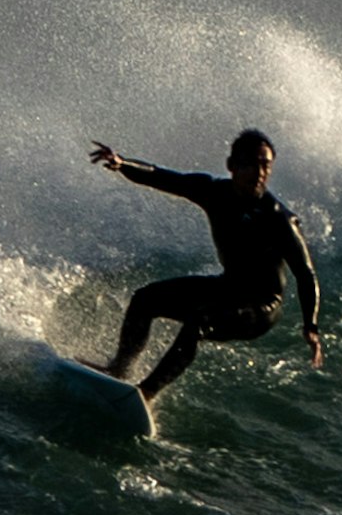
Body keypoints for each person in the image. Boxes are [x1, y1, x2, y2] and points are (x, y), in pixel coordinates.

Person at [84, 128, 326, 401]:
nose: (259, 172)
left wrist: (311, 326)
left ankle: (146, 392)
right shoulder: (213, 192)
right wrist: (122, 164)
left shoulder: (279, 220)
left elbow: (305, 274)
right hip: (229, 287)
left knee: (198, 322)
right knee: (144, 299)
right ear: (232, 166)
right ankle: (119, 370)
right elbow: (162, 177)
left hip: (261, 306)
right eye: (250, 163)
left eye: (265, 165)